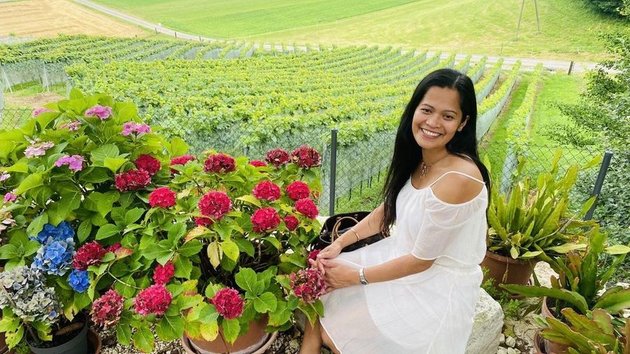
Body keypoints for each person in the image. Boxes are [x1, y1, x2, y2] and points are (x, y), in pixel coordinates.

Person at [300, 68, 491, 354]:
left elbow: (422, 262)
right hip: (404, 256)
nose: (433, 123)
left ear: (463, 123)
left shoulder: (458, 178)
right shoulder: (424, 157)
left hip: (434, 286)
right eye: (426, 110)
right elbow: (390, 206)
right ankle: (309, 346)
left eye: (447, 116)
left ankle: (314, 345)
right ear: (414, 109)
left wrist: (356, 276)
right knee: (323, 283)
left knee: (343, 332)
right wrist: (340, 242)